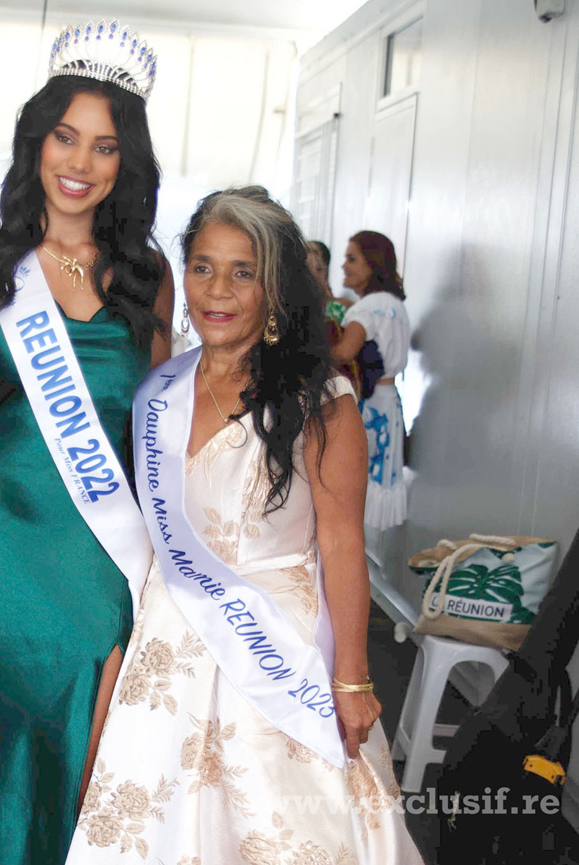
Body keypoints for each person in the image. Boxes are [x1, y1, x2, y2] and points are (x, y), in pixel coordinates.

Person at [67, 188, 421, 864]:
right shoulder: (157, 389)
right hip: (166, 639)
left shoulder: (321, 401)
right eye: (201, 267)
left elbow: (343, 541)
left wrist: (351, 677)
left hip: (276, 646)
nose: (217, 290)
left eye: (242, 270)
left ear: (275, 285)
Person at [0, 20, 172, 863]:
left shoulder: (147, 275)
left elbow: (157, 428)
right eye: (66, 137)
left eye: (103, 146)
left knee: (88, 747)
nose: (80, 163)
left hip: (99, 548)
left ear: (124, 161)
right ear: (37, 139)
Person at [331, 231, 410, 530]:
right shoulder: (395, 305)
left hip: (368, 406)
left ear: (372, 264)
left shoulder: (365, 308)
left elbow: (343, 352)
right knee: (377, 480)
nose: (344, 266)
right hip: (390, 403)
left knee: (353, 486)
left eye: (352, 259)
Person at [307, 240, 361, 396]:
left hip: (338, 389)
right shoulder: (284, 310)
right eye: (307, 268)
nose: (312, 275)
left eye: (318, 269)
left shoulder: (344, 307)